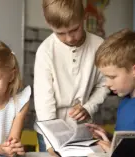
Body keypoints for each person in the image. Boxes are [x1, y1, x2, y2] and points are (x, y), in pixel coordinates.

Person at [33, 0, 109, 155]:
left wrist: (89, 107)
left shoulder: (99, 46)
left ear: (84, 17)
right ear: (49, 24)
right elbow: (44, 104)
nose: (69, 38)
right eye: (60, 33)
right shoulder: (45, 51)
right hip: (50, 131)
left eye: (74, 29)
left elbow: (105, 83)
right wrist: (50, 145)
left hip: (83, 128)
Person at [86, 29, 135, 157]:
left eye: (112, 77)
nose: (107, 83)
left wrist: (118, 151)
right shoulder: (125, 101)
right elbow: (127, 144)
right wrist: (108, 137)